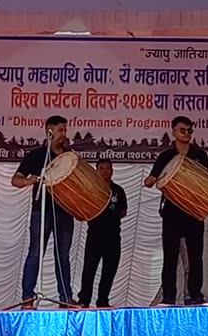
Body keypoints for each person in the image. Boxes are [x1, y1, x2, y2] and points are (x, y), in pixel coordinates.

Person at [10, 115, 75, 308]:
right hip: (41, 210)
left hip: (64, 211)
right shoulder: (36, 156)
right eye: (61, 130)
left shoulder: (69, 156)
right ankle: (28, 298)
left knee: (62, 255)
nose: (64, 134)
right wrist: (29, 180)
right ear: (50, 132)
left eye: (65, 130)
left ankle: (65, 298)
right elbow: (15, 180)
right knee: (35, 253)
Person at [145, 116, 208, 305]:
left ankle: (195, 295)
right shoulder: (166, 156)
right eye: (183, 130)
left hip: (194, 209)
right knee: (171, 255)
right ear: (173, 131)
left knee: (195, 255)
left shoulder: (200, 155)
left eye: (190, 130)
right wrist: (150, 180)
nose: (187, 134)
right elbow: (153, 177)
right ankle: (169, 296)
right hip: (172, 211)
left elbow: (206, 180)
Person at [76, 159, 127, 308]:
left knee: (109, 270)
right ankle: (84, 300)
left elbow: (123, 211)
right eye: (101, 168)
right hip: (95, 235)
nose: (105, 171)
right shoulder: (91, 189)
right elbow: (83, 209)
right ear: (96, 171)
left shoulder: (118, 190)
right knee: (89, 269)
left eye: (108, 168)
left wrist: (111, 213)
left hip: (113, 236)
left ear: (112, 170)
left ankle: (103, 300)